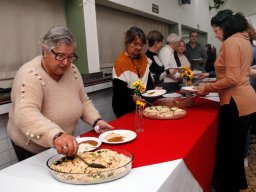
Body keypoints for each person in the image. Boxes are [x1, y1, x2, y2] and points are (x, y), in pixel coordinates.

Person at [7, 26, 113, 161]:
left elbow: (83, 100)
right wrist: (56, 136)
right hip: (33, 149)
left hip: (61, 143)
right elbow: (26, 113)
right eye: (60, 56)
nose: (66, 63)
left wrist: (96, 121)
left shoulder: (72, 70)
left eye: (70, 57)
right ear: (45, 51)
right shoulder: (29, 74)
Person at [196, 10, 256, 191]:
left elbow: (231, 79)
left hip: (235, 102)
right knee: (236, 150)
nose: (215, 34)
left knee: (229, 150)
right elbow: (237, 74)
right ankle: (238, 182)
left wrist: (206, 88)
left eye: (216, 30)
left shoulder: (230, 43)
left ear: (225, 26)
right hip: (248, 100)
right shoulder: (245, 41)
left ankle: (227, 187)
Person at [112, 26, 154, 118]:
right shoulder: (121, 63)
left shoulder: (144, 58)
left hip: (142, 105)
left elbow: (148, 81)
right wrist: (132, 98)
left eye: (141, 44)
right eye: (135, 44)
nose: (138, 47)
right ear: (127, 42)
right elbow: (119, 93)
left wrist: (153, 90)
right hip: (125, 108)